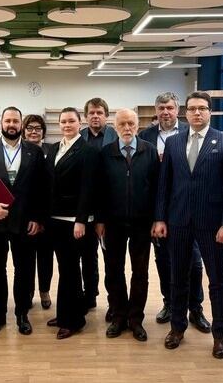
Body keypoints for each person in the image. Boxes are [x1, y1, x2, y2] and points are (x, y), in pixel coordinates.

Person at [153, 91, 223, 358]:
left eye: (202, 108)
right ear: (186, 112)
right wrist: (160, 217)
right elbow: (164, 184)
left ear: (209, 111)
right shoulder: (174, 143)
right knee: (178, 277)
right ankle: (177, 327)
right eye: (192, 109)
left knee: (218, 280)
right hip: (178, 220)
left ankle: (221, 334)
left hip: (211, 223)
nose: (197, 113)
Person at [0, 107, 50, 335]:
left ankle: (22, 314)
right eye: (8, 121)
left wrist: (37, 218)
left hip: (25, 222)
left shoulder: (34, 151)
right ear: (1, 123)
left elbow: (42, 187)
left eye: (16, 121)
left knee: (24, 270)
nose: (12, 124)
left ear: (21, 124)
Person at [138, 92, 211, 332]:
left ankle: (195, 308)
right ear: (156, 111)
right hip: (158, 208)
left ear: (178, 109)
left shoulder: (190, 132)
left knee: (195, 262)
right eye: (161, 108)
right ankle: (169, 303)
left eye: (169, 107)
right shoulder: (145, 136)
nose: (165, 112)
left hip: (188, 209)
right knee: (163, 260)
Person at [95, 109, 158, 342]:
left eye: (131, 123)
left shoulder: (149, 151)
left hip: (142, 223)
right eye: (122, 124)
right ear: (115, 126)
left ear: (138, 125)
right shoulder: (105, 153)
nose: (127, 128)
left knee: (140, 272)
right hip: (113, 223)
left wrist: (157, 219)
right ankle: (119, 316)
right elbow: (99, 190)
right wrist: (99, 220)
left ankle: (136, 319)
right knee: (113, 271)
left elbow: (157, 188)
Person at [46, 107, 99, 340]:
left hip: (74, 222)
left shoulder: (88, 151)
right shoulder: (54, 148)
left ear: (80, 124)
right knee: (65, 269)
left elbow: (88, 188)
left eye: (71, 121)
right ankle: (65, 313)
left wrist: (81, 220)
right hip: (55, 219)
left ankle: (73, 321)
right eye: (63, 122)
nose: (67, 125)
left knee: (70, 271)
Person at [78, 97, 116, 312]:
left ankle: (114, 302)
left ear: (106, 116)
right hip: (86, 207)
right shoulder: (79, 137)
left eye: (99, 112)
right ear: (85, 117)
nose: (95, 116)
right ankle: (90, 295)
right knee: (87, 256)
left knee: (111, 258)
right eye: (91, 113)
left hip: (110, 208)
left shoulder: (116, 136)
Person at [22, 114, 54, 310]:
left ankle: (44, 290)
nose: (34, 132)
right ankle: (28, 291)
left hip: (47, 214)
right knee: (26, 257)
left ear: (43, 131)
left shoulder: (52, 150)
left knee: (45, 256)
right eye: (30, 128)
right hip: (25, 215)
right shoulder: (19, 151)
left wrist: (42, 217)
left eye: (38, 128)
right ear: (24, 131)